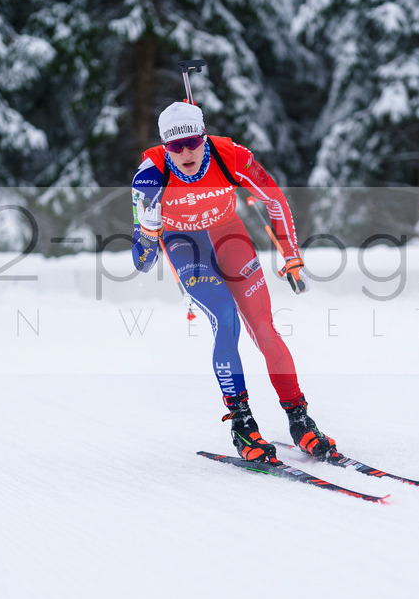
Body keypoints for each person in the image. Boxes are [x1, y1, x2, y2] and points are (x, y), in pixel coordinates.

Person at [131, 101, 337, 464]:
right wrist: (148, 229)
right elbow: (143, 262)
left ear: (204, 136)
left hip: (230, 238)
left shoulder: (231, 156)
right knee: (225, 318)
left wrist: (291, 255)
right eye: (176, 146)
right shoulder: (150, 175)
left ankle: (300, 420)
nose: (186, 152)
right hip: (186, 247)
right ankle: (242, 424)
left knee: (265, 329)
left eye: (193, 142)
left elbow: (274, 198)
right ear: (165, 146)